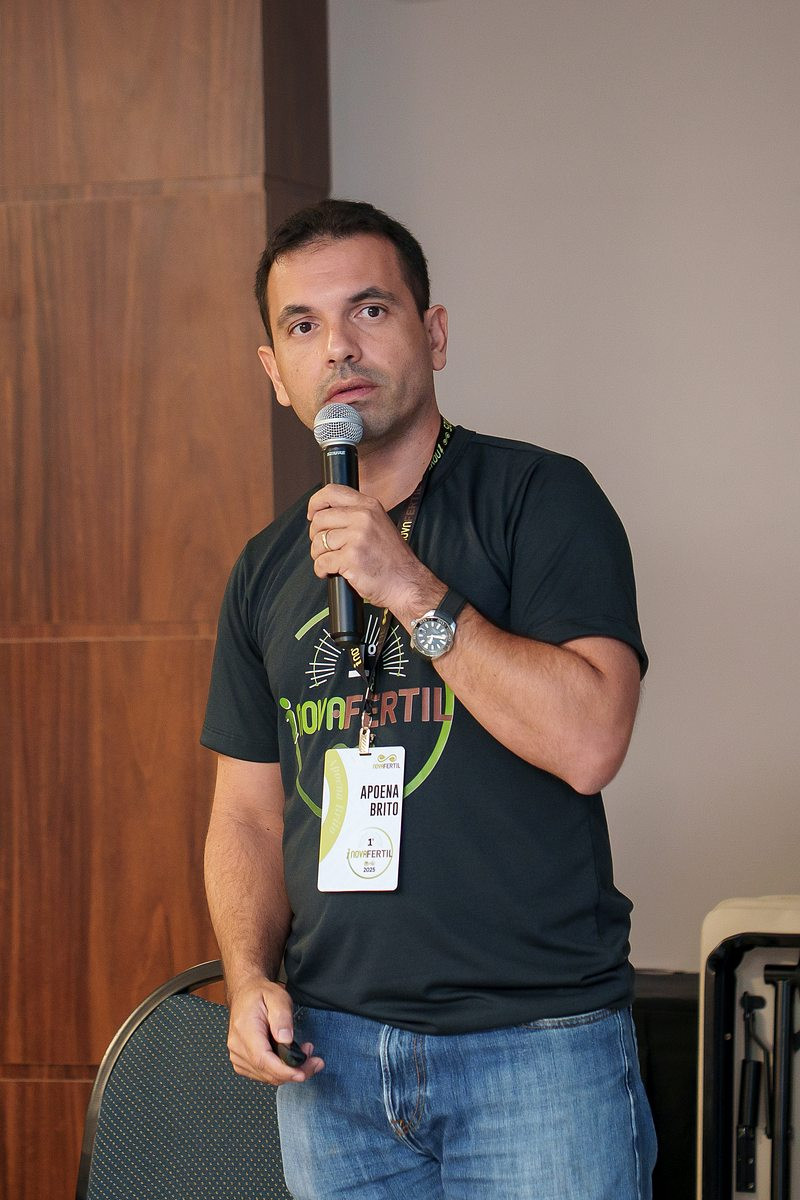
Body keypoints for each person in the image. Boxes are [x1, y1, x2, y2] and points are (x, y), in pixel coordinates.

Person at [201, 198, 656, 1199]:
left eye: (370, 310)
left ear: (433, 333)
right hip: (331, 1058)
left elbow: (590, 742)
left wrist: (407, 587)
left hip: (533, 1047)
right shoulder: (267, 568)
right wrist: (247, 978)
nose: (339, 347)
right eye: (303, 325)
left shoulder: (541, 500)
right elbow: (246, 816)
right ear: (274, 371)